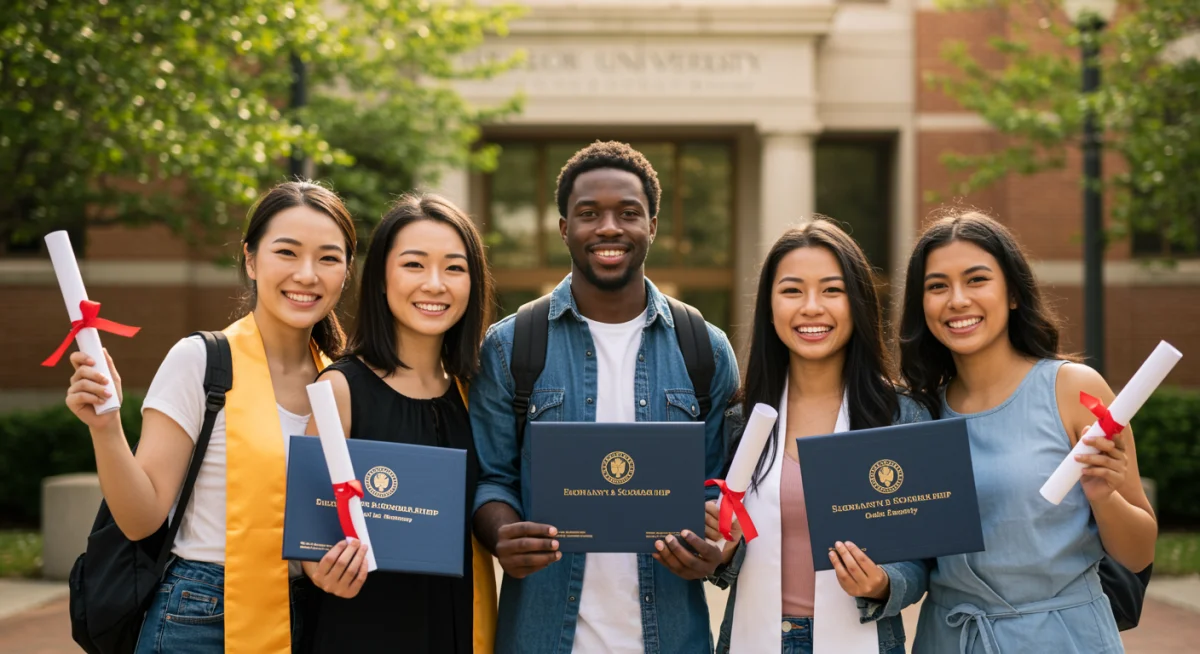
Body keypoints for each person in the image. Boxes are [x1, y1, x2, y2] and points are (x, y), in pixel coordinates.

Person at [469, 141, 740, 653]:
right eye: (589, 213)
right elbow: (492, 479)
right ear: (564, 228)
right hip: (542, 637)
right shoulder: (511, 347)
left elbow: (721, 488)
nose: (609, 227)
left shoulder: (704, 348)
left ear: (653, 226)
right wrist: (502, 534)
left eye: (628, 213)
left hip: (672, 638)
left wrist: (717, 547)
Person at [65, 181, 357, 654]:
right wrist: (106, 427)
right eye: (287, 252)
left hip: (308, 615)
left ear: (346, 271)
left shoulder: (343, 381)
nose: (307, 274)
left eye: (328, 258)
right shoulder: (202, 361)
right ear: (250, 259)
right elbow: (142, 520)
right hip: (200, 616)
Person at [899, 210, 1156, 653]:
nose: (957, 300)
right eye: (937, 286)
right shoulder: (918, 411)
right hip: (948, 638)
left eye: (977, 280)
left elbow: (1138, 554)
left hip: (1062, 637)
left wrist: (1103, 496)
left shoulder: (1074, 389)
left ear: (1013, 293)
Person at [709, 220, 928, 654]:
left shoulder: (898, 416)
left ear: (859, 303)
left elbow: (923, 557)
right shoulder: (741, 420)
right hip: (754, 637)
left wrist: (883, 583)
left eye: (832, 290)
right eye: (792, 291)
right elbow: (717, 555)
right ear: (769, 307)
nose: (811, 307)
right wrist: (722, 546)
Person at [301, 193, 498, 653]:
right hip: (364, 629)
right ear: (382, 280)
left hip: (460, 628)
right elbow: (311, 538)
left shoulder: (477, 394)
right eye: (414, 265)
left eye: (454, 268)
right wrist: (324, 569)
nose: (435, 284)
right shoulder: (340, 391)